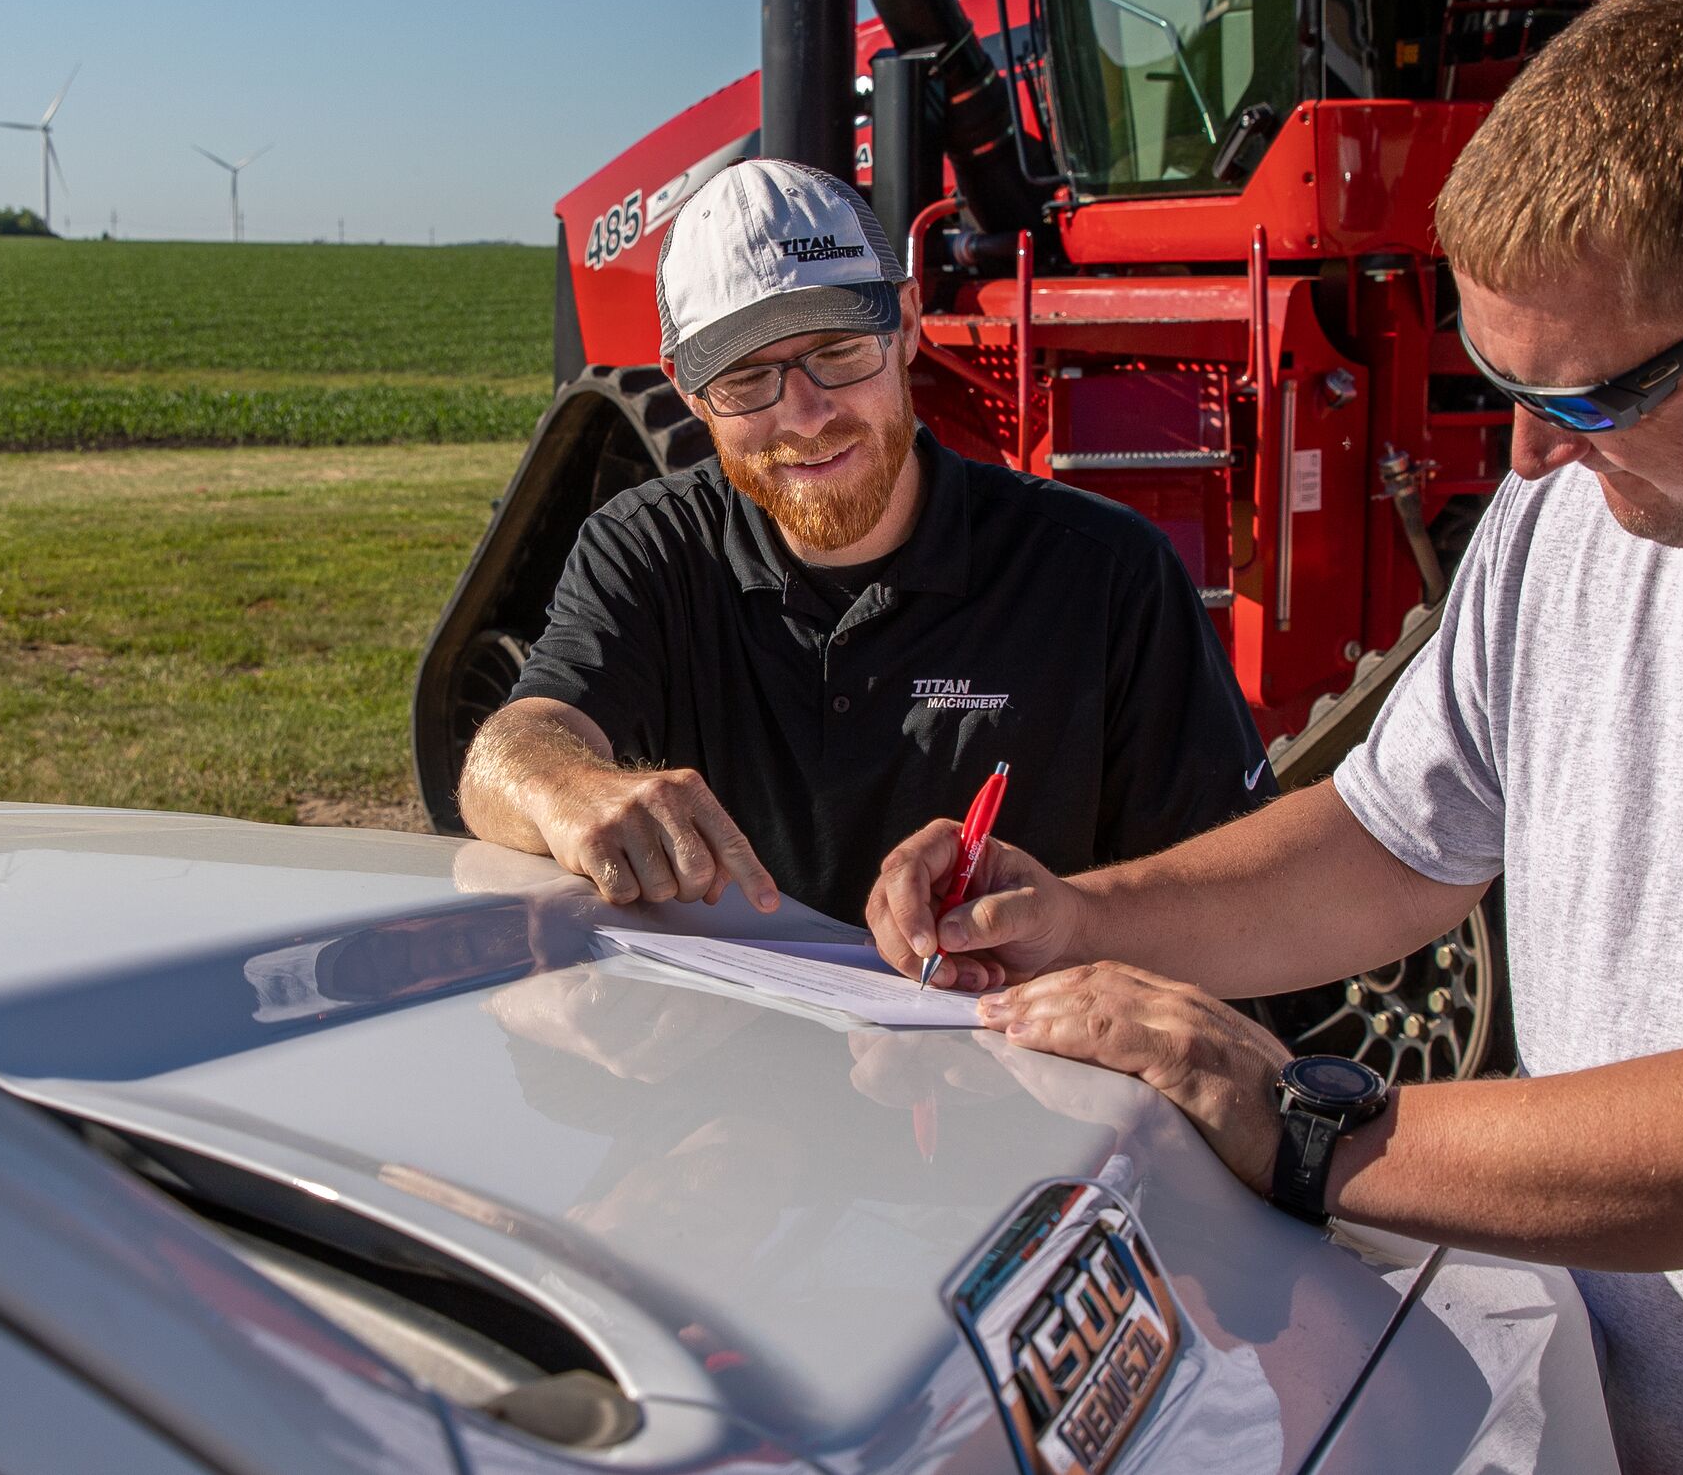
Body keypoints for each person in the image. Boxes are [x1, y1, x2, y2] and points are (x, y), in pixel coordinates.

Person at [865, 0, 1683, 1474]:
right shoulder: (1582, 516)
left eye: (1585, 400)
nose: (1526, 455)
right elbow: (1392, 844)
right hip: (1610, 1426)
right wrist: (1085, 917)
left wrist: (1317, 1130)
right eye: (1500, 382)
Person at [459, 159, 1272, 926]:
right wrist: (568, 786)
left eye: (838, 351)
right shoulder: (647, 549)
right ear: (688, 390)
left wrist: (1070, 922)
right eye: (747, 379)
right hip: (731, 1063)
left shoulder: (1104, 578)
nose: (806, 415)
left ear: (907, 327)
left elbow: (1237, 892)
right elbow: (508, 749)